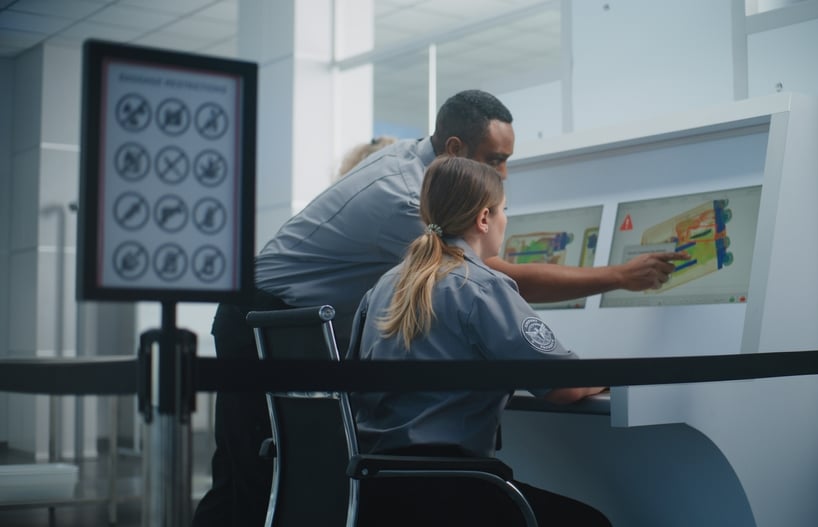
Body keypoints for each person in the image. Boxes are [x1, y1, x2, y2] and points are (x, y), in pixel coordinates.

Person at [192, 89, 687, 527]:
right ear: (481, 210)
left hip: (377, 477)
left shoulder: (384, 283)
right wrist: (619, 278)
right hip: (261, 321)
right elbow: (553, 368)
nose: (502, 173)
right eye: (496, 161)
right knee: (253, 483)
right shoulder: (416, 215)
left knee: (247, 477)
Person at [351, 156, 611, 526]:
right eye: (504, 210)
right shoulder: (482, 286)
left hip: (376, 490)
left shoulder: (384, 286)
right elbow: (563, 387)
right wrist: (607, 375)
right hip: (452, 489)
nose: (505, 220)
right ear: (484, 218)